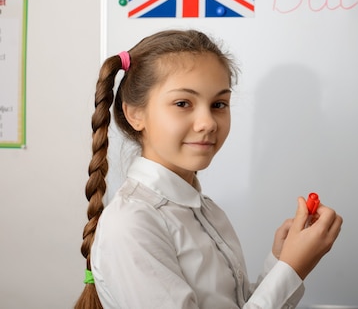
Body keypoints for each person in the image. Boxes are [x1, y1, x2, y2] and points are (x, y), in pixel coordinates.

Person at [74, 29, 343, 309]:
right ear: (135, 114)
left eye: (218, 104)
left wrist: (280, 260)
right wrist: (292, 269)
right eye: (182, 103)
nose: (208, 123)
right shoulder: (132, 225)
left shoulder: (207, 211)